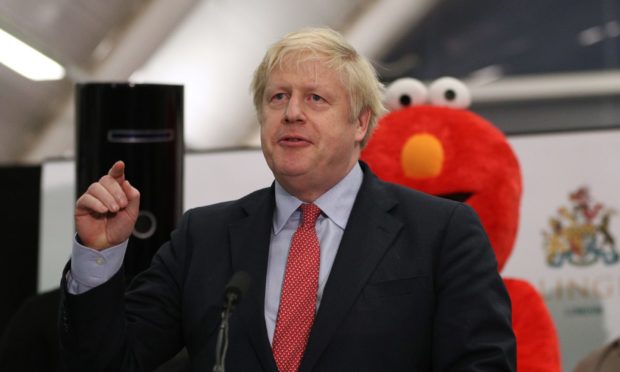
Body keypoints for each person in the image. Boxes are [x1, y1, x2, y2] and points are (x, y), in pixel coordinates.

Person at [59, 27, 516, 371]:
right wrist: (98, 257)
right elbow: (110, 362)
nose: (292, 112)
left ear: (360, 123)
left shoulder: (442, 232)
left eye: (315, 98)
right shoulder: (204, 237)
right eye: (278, 97)